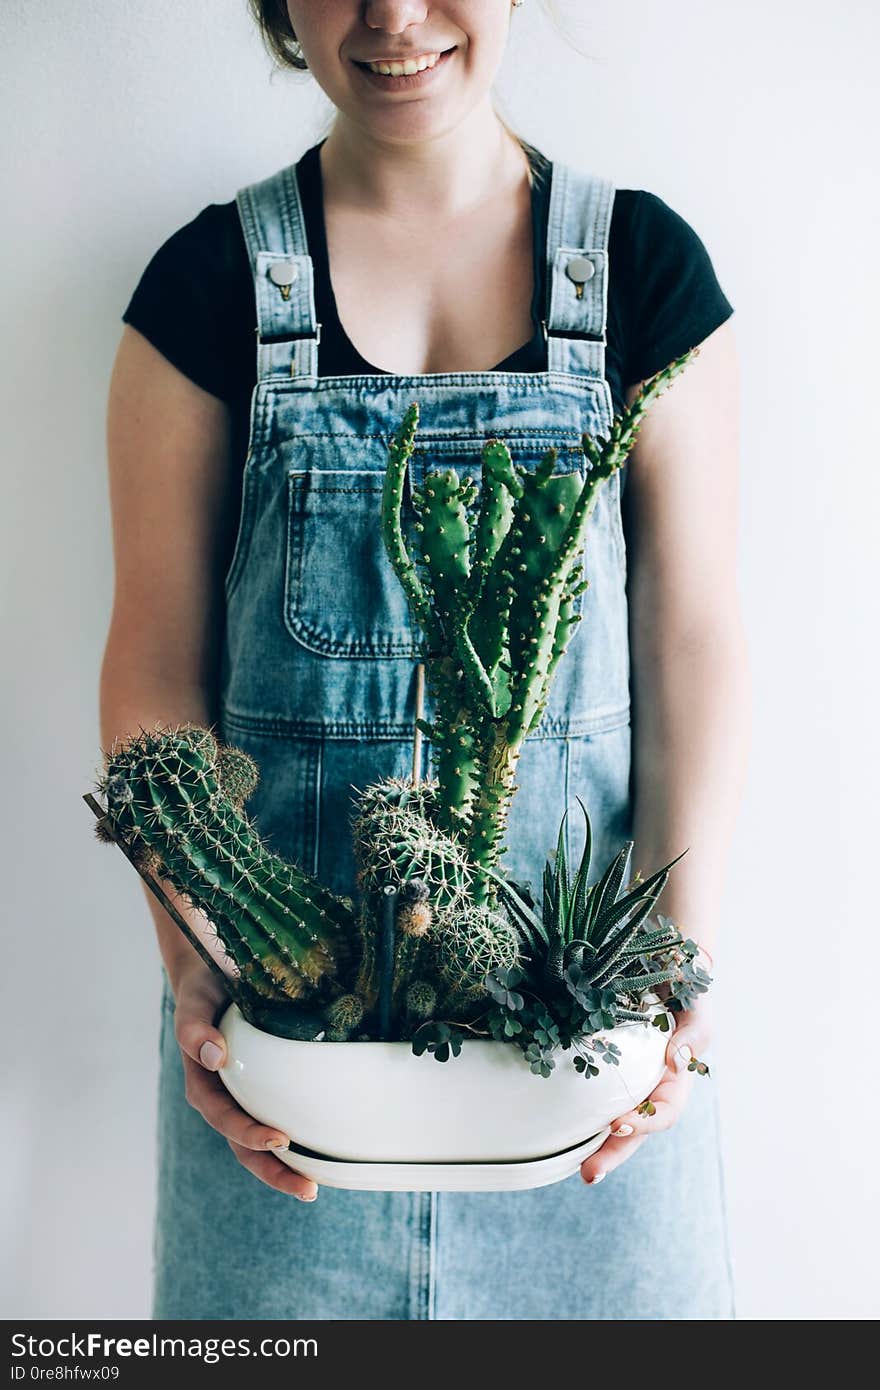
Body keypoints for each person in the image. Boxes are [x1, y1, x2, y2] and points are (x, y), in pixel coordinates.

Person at [101, 0, 749, 1320]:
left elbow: (694, 641)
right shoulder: (206, 289)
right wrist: (193, 977)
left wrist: (676, 970)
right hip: (288, 1102)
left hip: (590, 1101)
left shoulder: (646, 273)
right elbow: (155, 662)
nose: (393, 15)